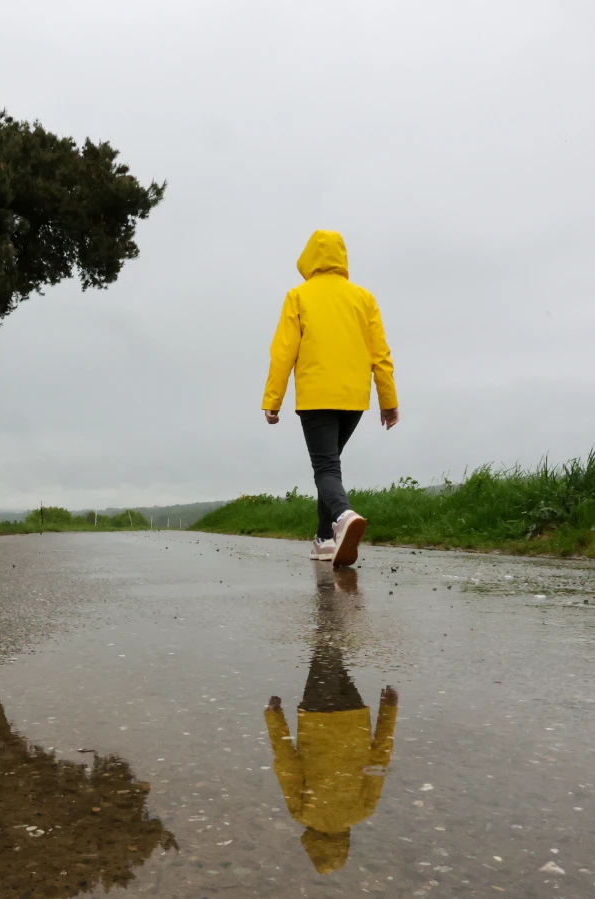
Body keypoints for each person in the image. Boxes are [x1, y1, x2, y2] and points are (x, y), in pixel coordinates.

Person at [262, 230, 399, 565]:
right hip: (354, 400)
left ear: (310, 257)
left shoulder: (299, 296)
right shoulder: (363, 298)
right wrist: (388, 400)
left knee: (325, 467)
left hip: (316, 396)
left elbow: (283, 353)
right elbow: (380, 354)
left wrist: (273, 400)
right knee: (330, 466)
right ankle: (324, 540)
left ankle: (342, 517)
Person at [264, 567, 398, 874]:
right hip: (317, 716)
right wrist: (274, 718)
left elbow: (380, 760)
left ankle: (336, 595)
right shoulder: (302, 815)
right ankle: (330, 591)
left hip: (354, 715)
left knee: (332, 653)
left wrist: (388, 711)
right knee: (325, 648)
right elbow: (287, 766)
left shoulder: (364, 811)